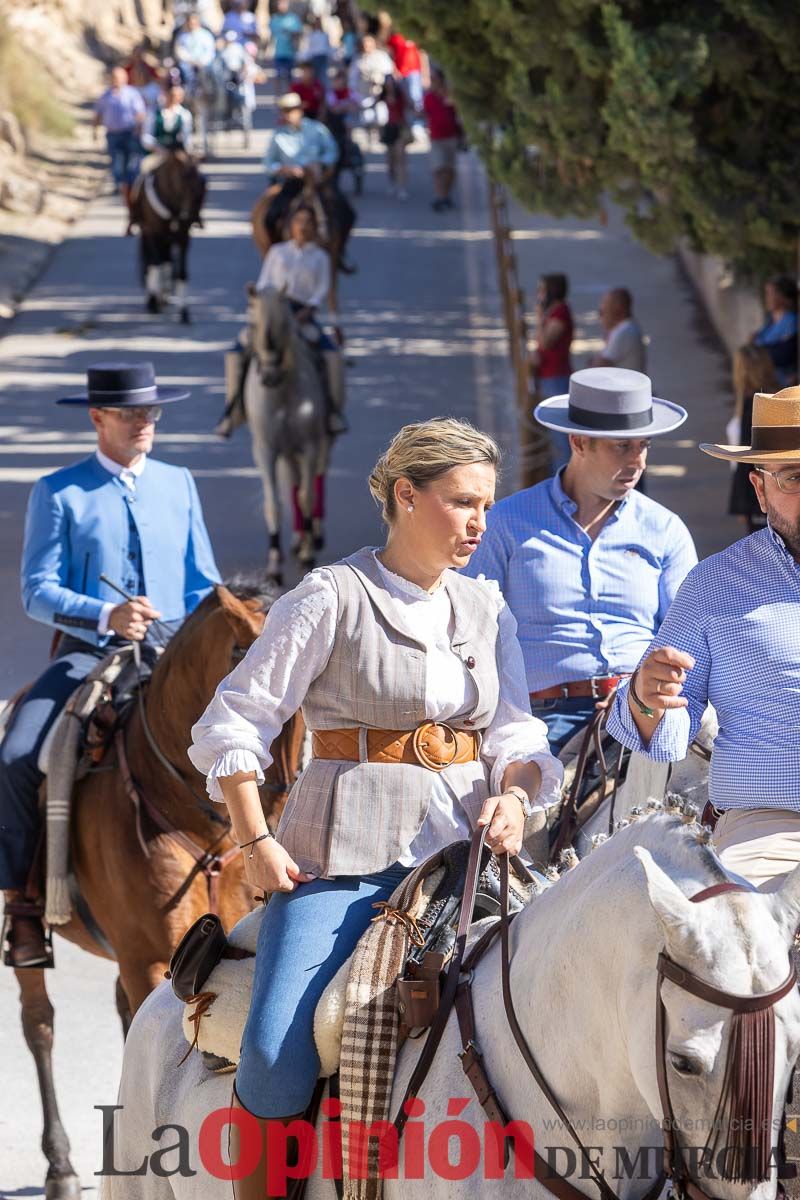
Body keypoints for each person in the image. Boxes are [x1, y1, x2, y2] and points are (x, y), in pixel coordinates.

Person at [187, 418, 562, 1193]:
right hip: (341, 866)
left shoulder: (486, 609)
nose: (479, 524)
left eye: (486, 505)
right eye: (463, 502)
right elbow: (234, 721)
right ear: (405, 495)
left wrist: (517, 799)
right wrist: (256, 839)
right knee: (274, 1053)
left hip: (465, 862)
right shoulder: (329, 597)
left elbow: (517, 734)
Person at [0, 363, 220, 969]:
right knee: (17, 753)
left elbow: (206, 581)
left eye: (150, 412)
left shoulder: (178, 483)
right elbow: (36, 591)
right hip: (91, 654)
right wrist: (106, 615)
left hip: (174, 657)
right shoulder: (59, 490)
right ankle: (21, 904)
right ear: (98, 418)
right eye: (130, 413)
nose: (144, 422)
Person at [606, 385, 800, 893]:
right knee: (724, 941)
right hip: (772, 827)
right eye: (795, 477)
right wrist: (646, 699)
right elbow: (668, 729)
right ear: (760, 490)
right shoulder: (716, 583)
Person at [464, 367, 696, 753]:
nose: (638, 461)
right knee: (522, 809)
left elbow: (689, 634)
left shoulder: (665, 529)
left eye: (643, 445)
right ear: (578, 442)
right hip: (543, 717)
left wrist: (644, 698)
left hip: (643, 711)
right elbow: (470, 632)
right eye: (622, 446)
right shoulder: (507, 523)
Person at [263, 92, 355, 273]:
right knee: (271, 217)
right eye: (285, 111)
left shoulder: (317, 129)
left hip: (317, 180)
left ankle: (340, 252)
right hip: (293, 182)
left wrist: (321, 163)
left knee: (346, 212)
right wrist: (283, 169)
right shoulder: (278, 136)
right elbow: (268, 162)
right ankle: (275, 257)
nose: (289, 114)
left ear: (300, 110)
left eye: (292, 110)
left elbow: (332, 151)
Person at [727, 344, 778, 533]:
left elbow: (746, 457)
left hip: (758, 492)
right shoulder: (775, 398)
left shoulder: (753, 404)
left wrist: (741, 503)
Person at [531, 273, 574, 470]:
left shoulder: (561, 313)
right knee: (551, 436)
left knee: (560, 438)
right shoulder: (552, 313)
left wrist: (540, 318)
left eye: (542, 290)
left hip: (557, 377)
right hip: (547, 375)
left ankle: (561, 477)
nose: (539, 295)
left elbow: (547, 342)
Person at [93, 66, 146, 213]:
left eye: (119, 77)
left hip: (129, 132)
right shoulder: (106, 96)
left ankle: (131, 184)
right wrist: (95, 130)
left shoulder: (132, 94)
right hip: (112, 133)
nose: (116, 80)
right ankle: (119, 185)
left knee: (131, 160)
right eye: (114, 77)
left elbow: (140, 113)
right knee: (116, 160)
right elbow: (98, 114)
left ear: (125, 78)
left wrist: (139, 128)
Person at [423, 68, 462, 212]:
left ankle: (446, 195)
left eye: (435, 78)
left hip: (451, 137)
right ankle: (441, 197)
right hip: (436, 138)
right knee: (439, 169)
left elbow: (458, 112)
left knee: (450, 170)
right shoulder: (428, 97)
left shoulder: (449, 95)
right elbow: (424, 114)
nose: (433, 81)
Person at [751, 275, 799, 388]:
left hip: (781, 387)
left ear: (783, 297)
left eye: (770, 294)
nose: (766, 298)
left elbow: (784, 354)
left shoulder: (791, 321)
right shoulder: (772, 319)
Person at [139, 83, 194, 171]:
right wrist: (158, 148)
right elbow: (146, 136)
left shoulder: (184, 114)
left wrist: (186, 151)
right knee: (145, 167)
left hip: (177, 152)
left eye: (177, 96)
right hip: (157, 152)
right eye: (171, 95)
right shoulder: (154, 113)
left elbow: (187, 137)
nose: (173, 98)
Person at [592, 288, 647, 372]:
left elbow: (598, 366)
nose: (601, 316)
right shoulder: (627, 328)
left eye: (603, 311)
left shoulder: (624, 332)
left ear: (617, 310)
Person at [380, 74, 411, 199]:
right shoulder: (383, 96)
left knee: (401, 158)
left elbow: (409, 106)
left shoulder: (400, 95)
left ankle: (402, 186)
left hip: (400, 127)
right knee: (390, 160)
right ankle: (392, 182)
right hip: (388, 128)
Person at [174, 12, 217, 89]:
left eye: (194, 23)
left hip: (204, 64)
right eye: (190, 23)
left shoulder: (205, 35)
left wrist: (201, 62)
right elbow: (180, 51)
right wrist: (191, 61)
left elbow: (210, 51)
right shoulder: (182, 36)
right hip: (188, 64)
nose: (192, 25)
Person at [269, 0, 303, 96]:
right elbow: (271, 36)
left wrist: (292, 34)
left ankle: (290, 98)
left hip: (290, 52)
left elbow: (298, 34)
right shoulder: (274, 19)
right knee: (278, 76)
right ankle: (278, 98)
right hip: (278, 52)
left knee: (290, 77)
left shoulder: (293, 19)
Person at [305, 16, 331, 83]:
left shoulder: (325, 34)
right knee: (316, 75)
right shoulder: (312, 35)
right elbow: (310, 46)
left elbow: (327, 45)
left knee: (323, 74)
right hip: (315, 56)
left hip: (323, 56)